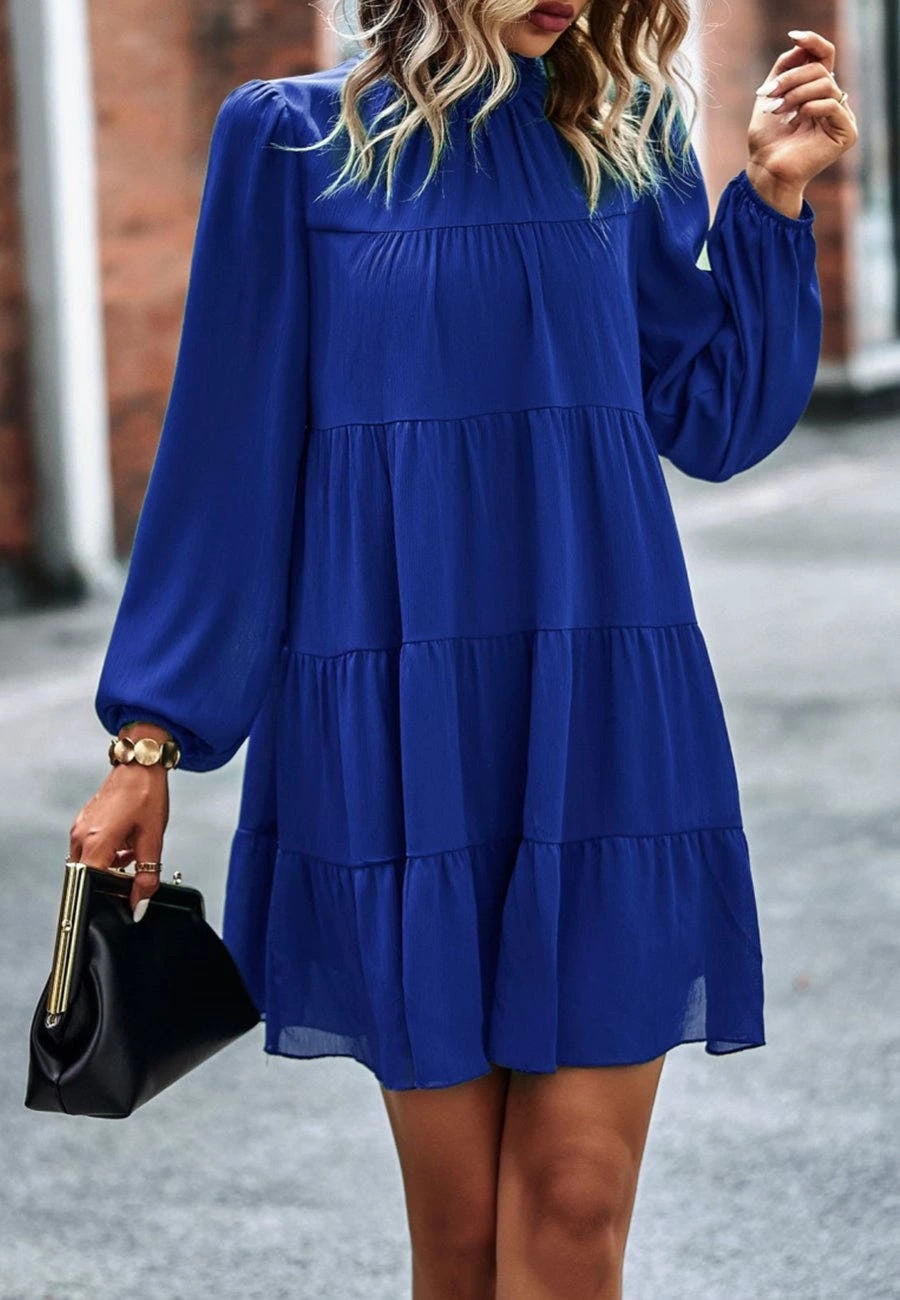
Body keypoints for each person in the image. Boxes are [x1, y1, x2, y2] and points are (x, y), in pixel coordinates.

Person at [70, 1, 857, 1294]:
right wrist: (150, 737)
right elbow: (228, 455)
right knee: (462, 1238)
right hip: (402, 714)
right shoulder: (291, 142)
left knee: (575, 1198)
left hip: (602, 699)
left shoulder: (626, 136)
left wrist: (772, 195)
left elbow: (710, 417)